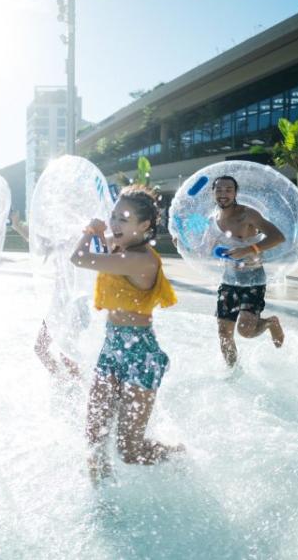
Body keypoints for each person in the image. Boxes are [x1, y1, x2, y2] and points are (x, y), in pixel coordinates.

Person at [71, 186, 182, 484]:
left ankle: (179, 456)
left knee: (129, 451)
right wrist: (95, 231)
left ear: (144, 226)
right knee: (94, 438)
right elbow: (93, 246)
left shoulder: (141, 259)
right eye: (113, 217)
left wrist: (90, 231)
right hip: (112, 349)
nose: (114, 224)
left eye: (123, 218)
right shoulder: (120, 247)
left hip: (140, 356)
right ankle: (102, 504)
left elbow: (79, 258)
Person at [210, 176, 286, 367]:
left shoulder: (248, 215)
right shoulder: (213, 219)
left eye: (228, 190)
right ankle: (233, 372)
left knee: (245, 331)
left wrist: (249, 249)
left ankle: (270, 323)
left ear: (235, 192)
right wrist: (182, 243)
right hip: (229, 280)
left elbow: (278, 237)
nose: (223, 194)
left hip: (253, 278)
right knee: (224, 333)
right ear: (213, 193)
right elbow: (205, 247)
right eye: (219, 190)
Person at [9, 210, 82, 383]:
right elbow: (38, 244)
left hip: (77, 303)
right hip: (58, 303)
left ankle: (81, 390)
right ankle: (63, 383)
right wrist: (17, 225)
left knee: (67, 354)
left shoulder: (79, 239)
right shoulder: (60, 242)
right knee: (40, 348)